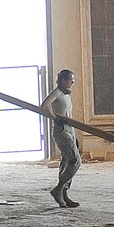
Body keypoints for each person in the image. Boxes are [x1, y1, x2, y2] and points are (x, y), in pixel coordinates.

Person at [44, 69, 81, 208]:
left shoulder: (66, 94)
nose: (73, 82)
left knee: (66, 161)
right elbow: (44, 105)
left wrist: (74, 135)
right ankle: (58, 189)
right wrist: (54, 118)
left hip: (69, 131)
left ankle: (64, 195)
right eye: (71, 79)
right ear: (63, 80)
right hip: (61, 132)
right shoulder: (57, 93)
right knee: (75, 161)